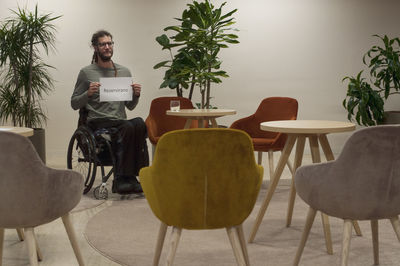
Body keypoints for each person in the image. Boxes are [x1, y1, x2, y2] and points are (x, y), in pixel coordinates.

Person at [71, 30, 149, 194]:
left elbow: (130, 106)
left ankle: (135, 177)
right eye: (103, 44)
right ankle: (120, 178)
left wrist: (136, 95)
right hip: (98, 120)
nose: (107, 47)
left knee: (140, 123)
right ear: (95, 47)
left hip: (120, 120)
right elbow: (74, 103)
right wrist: (88, 93)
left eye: (109, 43)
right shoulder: (87, 72)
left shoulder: (124, 71)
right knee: (127, 126)